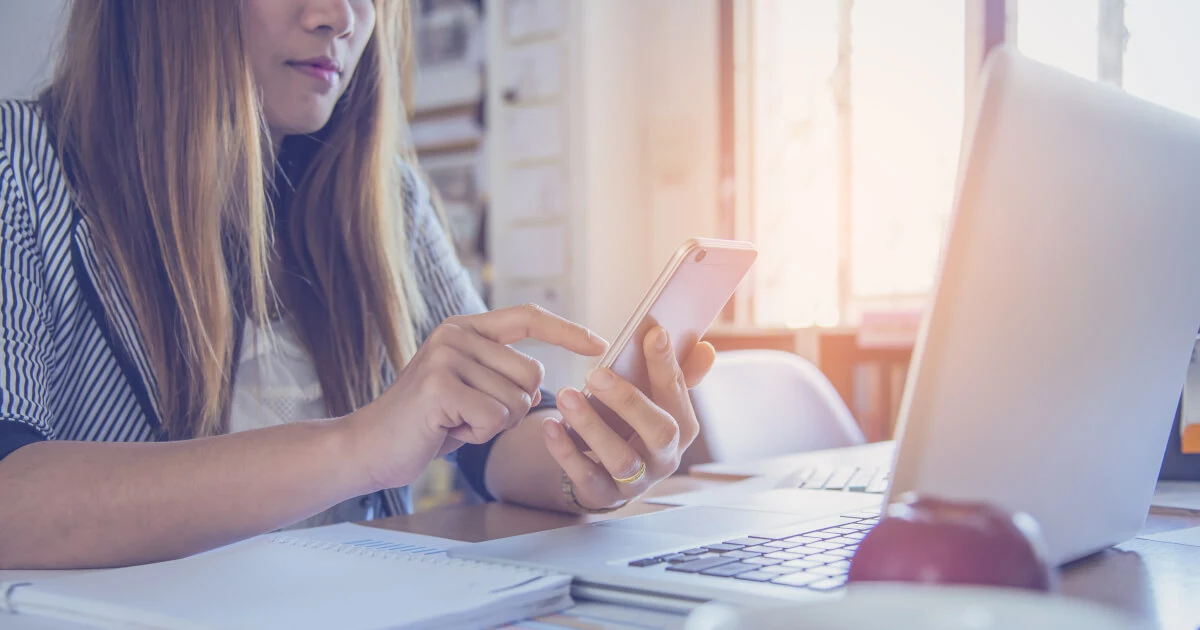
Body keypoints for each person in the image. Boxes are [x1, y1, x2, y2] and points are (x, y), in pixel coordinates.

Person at [0, 0, 715, 570]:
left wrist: (587, 462)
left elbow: (492, 439)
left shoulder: (385, 198)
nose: (339, 15)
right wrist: (360, 444)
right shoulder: (22, 165)